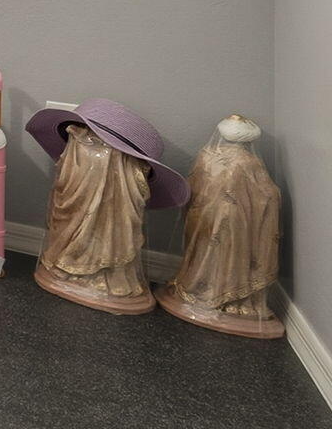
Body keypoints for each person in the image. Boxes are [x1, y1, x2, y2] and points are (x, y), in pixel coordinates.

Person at [24, 99, 188, 316]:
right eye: (87, 142)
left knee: (109, 222)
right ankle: (73, 267)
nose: (69, 156)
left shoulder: (116, 165)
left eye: (93, 143)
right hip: (65, 250)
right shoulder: (77, 145)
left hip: (112, 259)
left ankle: (102, 274)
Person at [159, 115, 284, 339]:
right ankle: (230, 296)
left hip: (204, 217)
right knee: (231, 256)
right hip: (236, 221)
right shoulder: (249, 162)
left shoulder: (206, 155)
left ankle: (200, 288)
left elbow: (192, 186)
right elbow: (266, 194)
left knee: (205, 253)